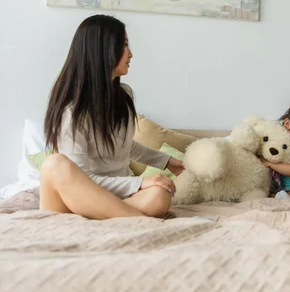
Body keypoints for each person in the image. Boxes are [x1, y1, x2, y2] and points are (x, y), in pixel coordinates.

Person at [40, 15, 184, 219]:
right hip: (75, 200)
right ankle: (139, 220)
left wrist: (166, 161)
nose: (131, 53)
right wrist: (140, 182)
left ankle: (112, 213)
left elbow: (123, 145)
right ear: (102, 49)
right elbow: (82, 180)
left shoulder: (123, 97)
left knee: (160, 196)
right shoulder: (71, 112)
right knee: (54, 164)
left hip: (115, 195)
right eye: (124, 45)